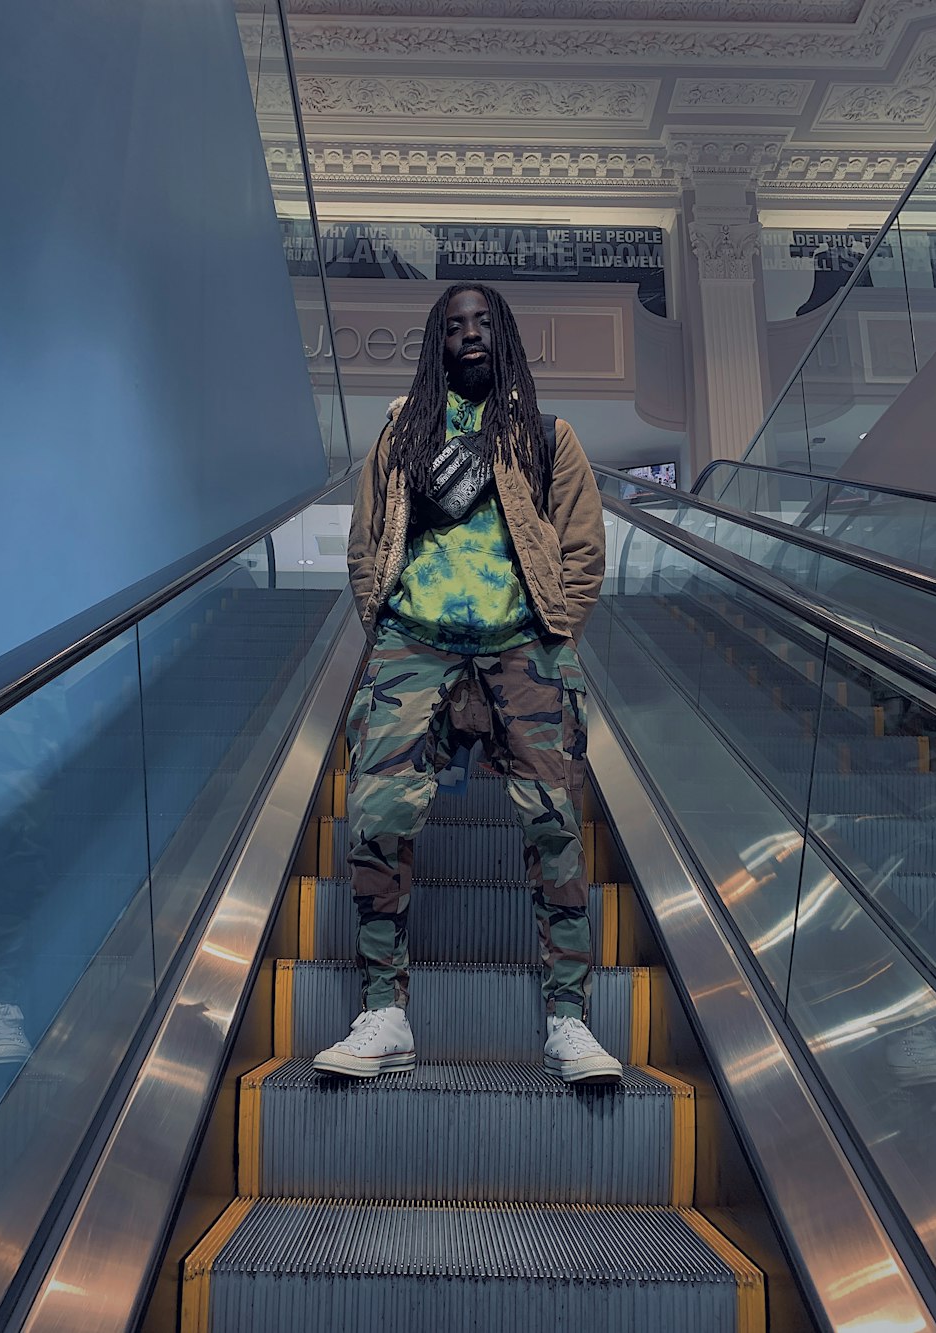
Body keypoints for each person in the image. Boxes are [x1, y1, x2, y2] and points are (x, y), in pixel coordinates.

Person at [313, 283, 621, 1084]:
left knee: (555, 824)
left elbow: (583, 552)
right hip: (414, 644)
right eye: (455, 326)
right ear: (436, 342)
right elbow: (365, 540)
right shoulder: (402, 433)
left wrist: (555, 633)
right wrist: (382, 627)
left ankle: (568, 1019)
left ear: (505, 336)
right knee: (375, 814)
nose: (470, 335)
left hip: (525, 648)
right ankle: (385, 1010)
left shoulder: (549, 438)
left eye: (484, 323)